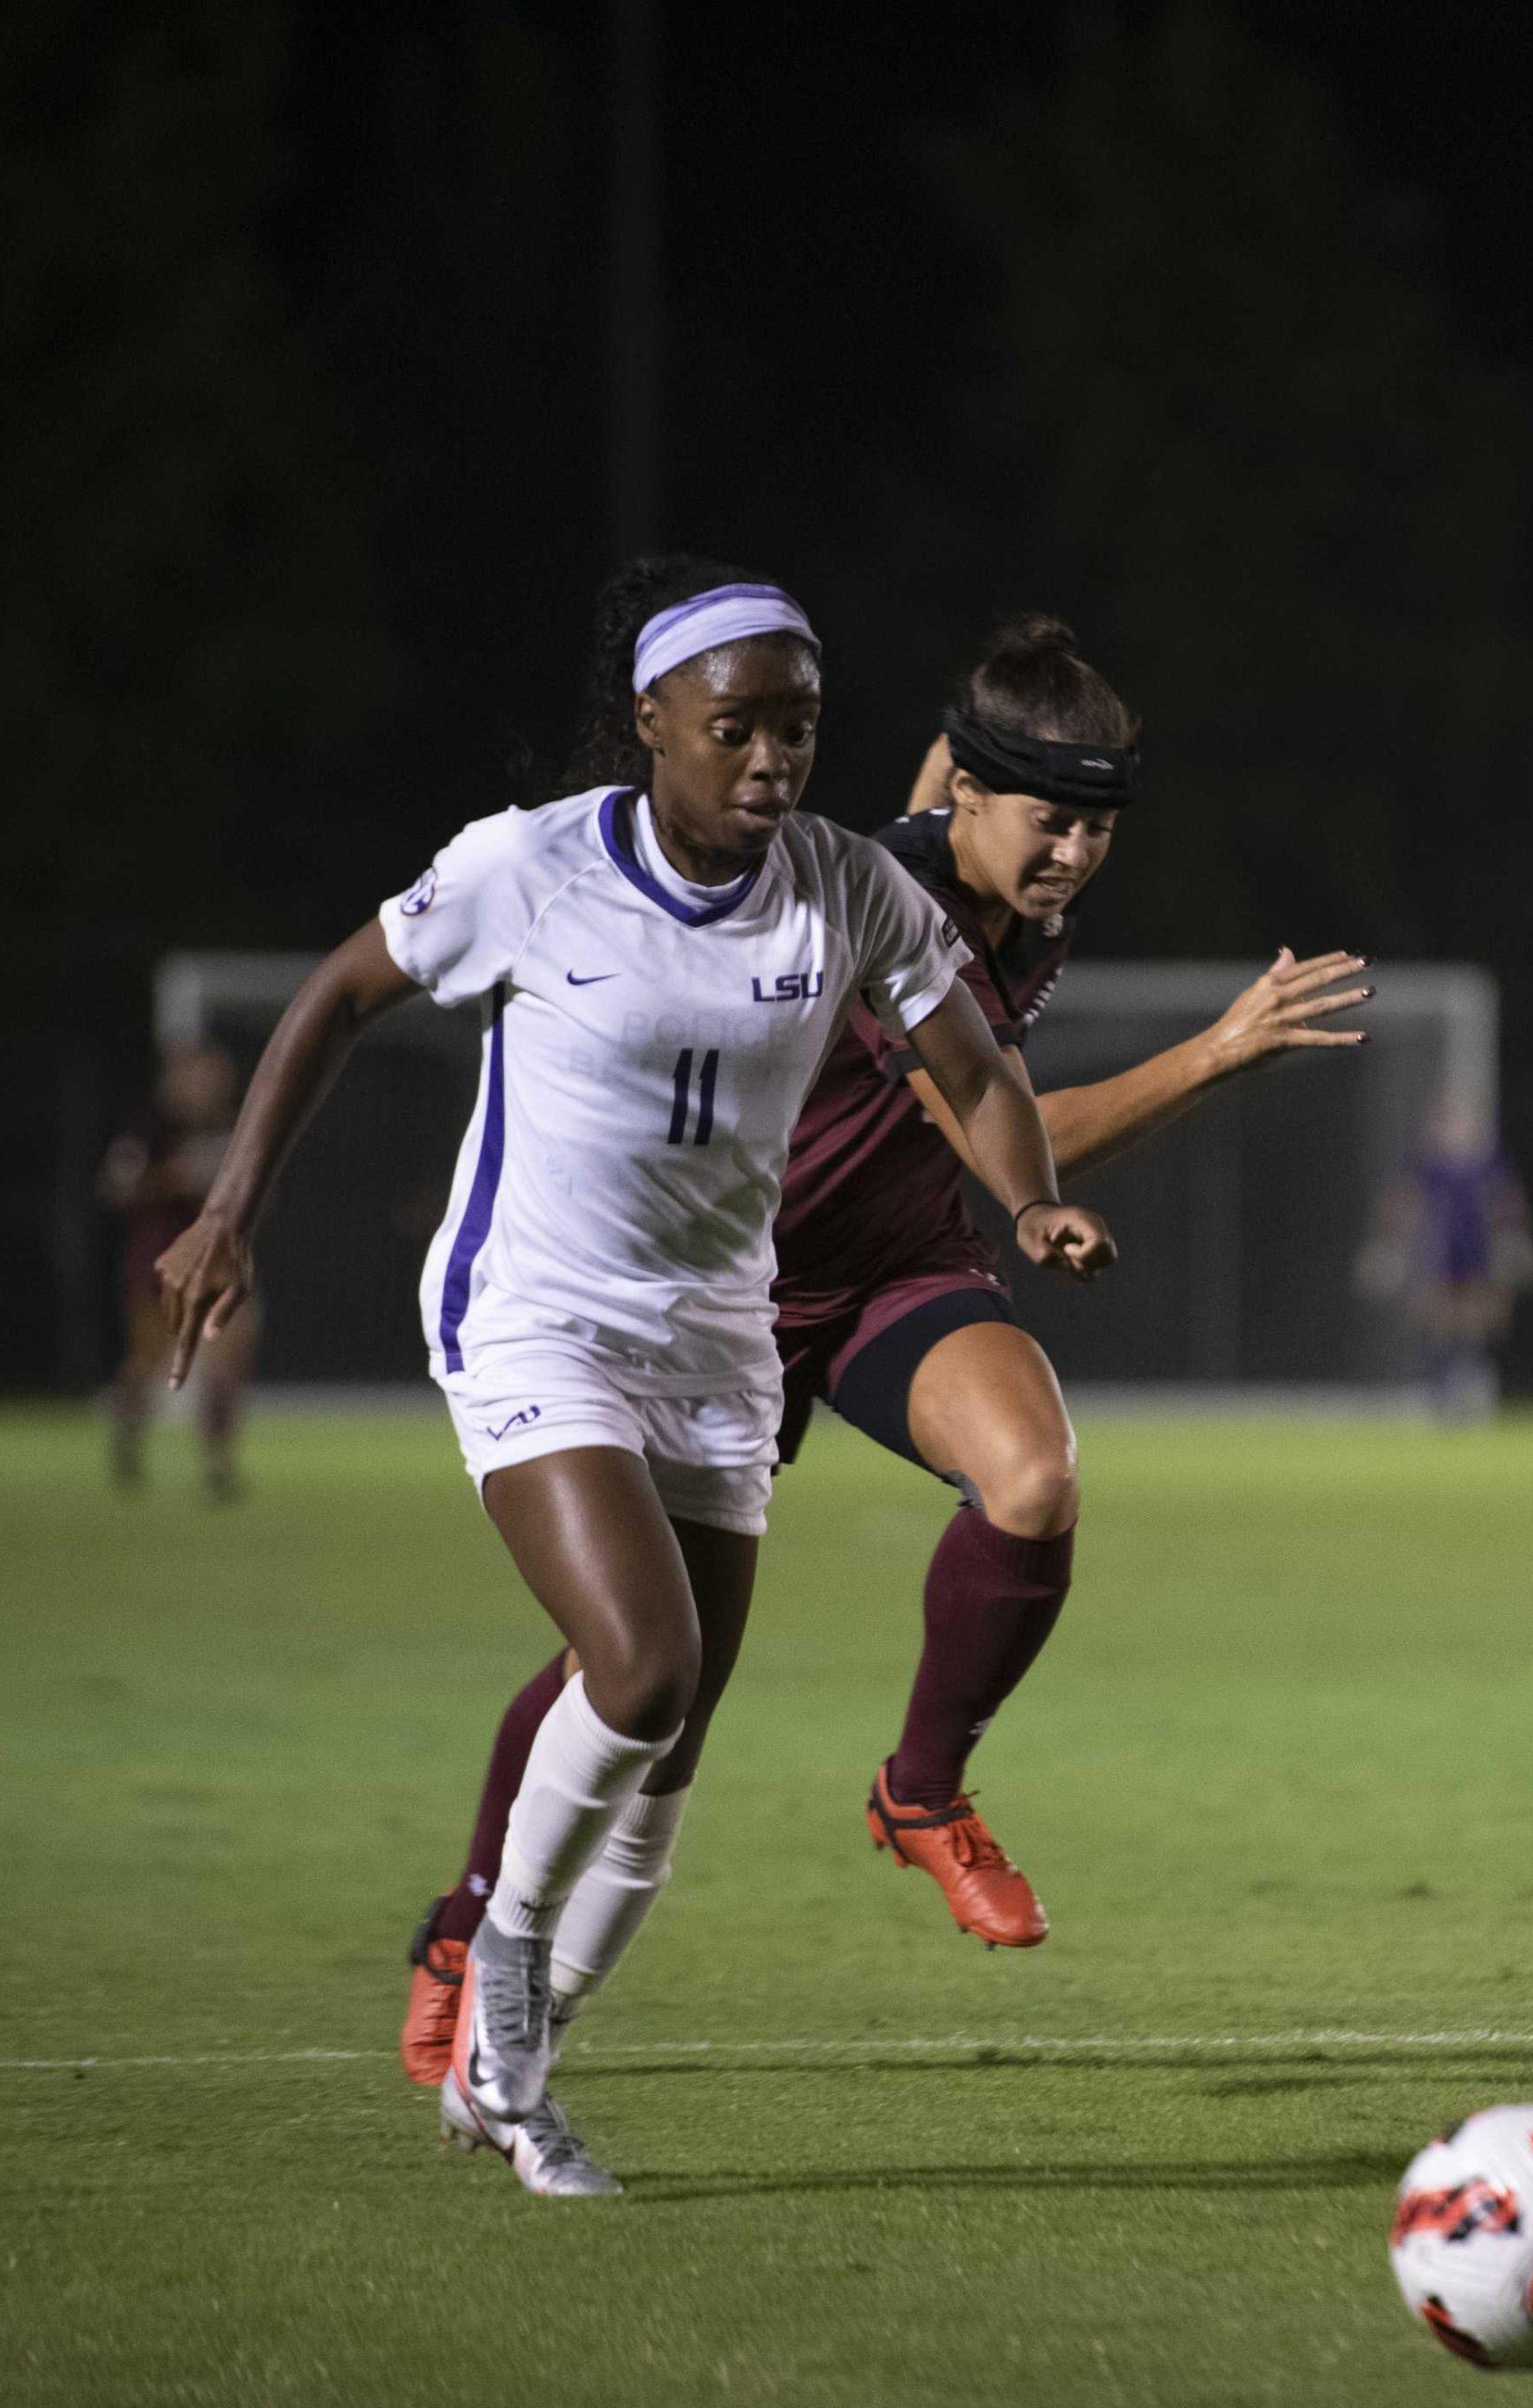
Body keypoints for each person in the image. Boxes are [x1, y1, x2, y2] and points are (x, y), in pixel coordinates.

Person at [156, 560, 1115, 2198]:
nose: (770, 762)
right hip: (534, 1321)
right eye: (734, 727)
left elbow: (971, 1064)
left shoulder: (843, 890)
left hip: (713, 1345)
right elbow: (336, 995)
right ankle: (506, 2008)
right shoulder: (526, 869)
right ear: (651, 726)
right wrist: (231, 1207)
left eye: (799, 731)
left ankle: (501, 2072)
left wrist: (1021, 1193)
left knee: (665, 1758)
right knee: (644, 1661)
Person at [403, 616, 1371, 2118]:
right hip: (730, 1295)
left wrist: (1000, 746)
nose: (1074, 857)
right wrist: (1217, 1051)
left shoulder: (1003, 876)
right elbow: (986, 1125)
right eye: (1052, 822)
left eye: (1100, 829)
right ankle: (470, 1928)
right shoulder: (880, 898)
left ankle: (922, 1787)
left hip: (891, 1275)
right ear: (974, 800)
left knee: (1034, 1473)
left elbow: (960, 842)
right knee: (649, 1675)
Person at [98, 1039, 258, 1499]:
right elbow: (115, 1189)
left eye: (213, 1076)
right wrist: (172, 1178)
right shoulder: (148, 1132)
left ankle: (217, 1464)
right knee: (145, 1367)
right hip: (159, 1266)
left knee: (225, 1369)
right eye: (196, 1077)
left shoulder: (238, 1127)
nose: (206, 1087)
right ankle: (126, 1441)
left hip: (221, 1267)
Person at [1353, 1091, 1533, 1417]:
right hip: (1438, 1254)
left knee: (1477, 1317)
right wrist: (1387, 1247)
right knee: (1437, 1315)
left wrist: (1517, 1240)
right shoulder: (1424, 1164)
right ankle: (1436, 1388)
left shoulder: (1488, 1163)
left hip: (1477, 1252)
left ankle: (1468, 1384)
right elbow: (1402, 1204)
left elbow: (1508, 1203)